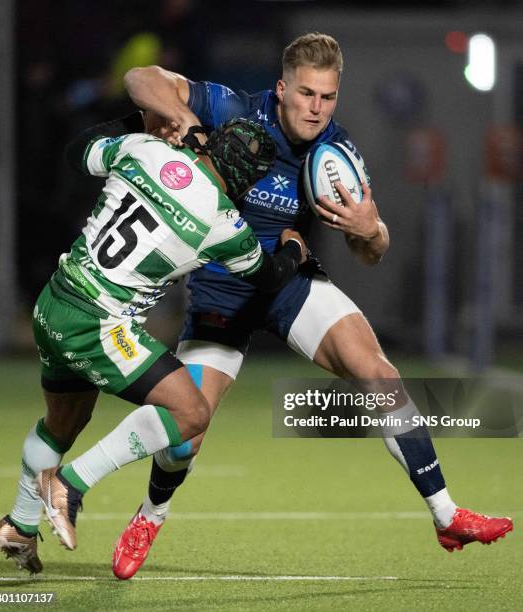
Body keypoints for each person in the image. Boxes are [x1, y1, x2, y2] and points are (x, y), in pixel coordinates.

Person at [107, 31, 513, 580]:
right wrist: (188, 123)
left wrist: (372, 230)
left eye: (326, 97)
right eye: (305, 95)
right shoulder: (233, 110)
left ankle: (445, 513)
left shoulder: (334, 153)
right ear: (281, 89)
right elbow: (140, 80)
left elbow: (370, 251)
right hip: (221, 289)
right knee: (185, 433)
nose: (315, 108)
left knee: (377, 372)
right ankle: (151, 515)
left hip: (287, 283)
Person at [0, 112, 307, 572]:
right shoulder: (222, 223)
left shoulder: (148, 150)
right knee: (191, 412)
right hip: (98, 323)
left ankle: (20, 524)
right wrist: (295, 248)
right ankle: (70, 484)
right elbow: (271, 278)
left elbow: (77, 149)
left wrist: (138, 122)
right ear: (244, 182)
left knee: (63, 421)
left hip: (53, 302)